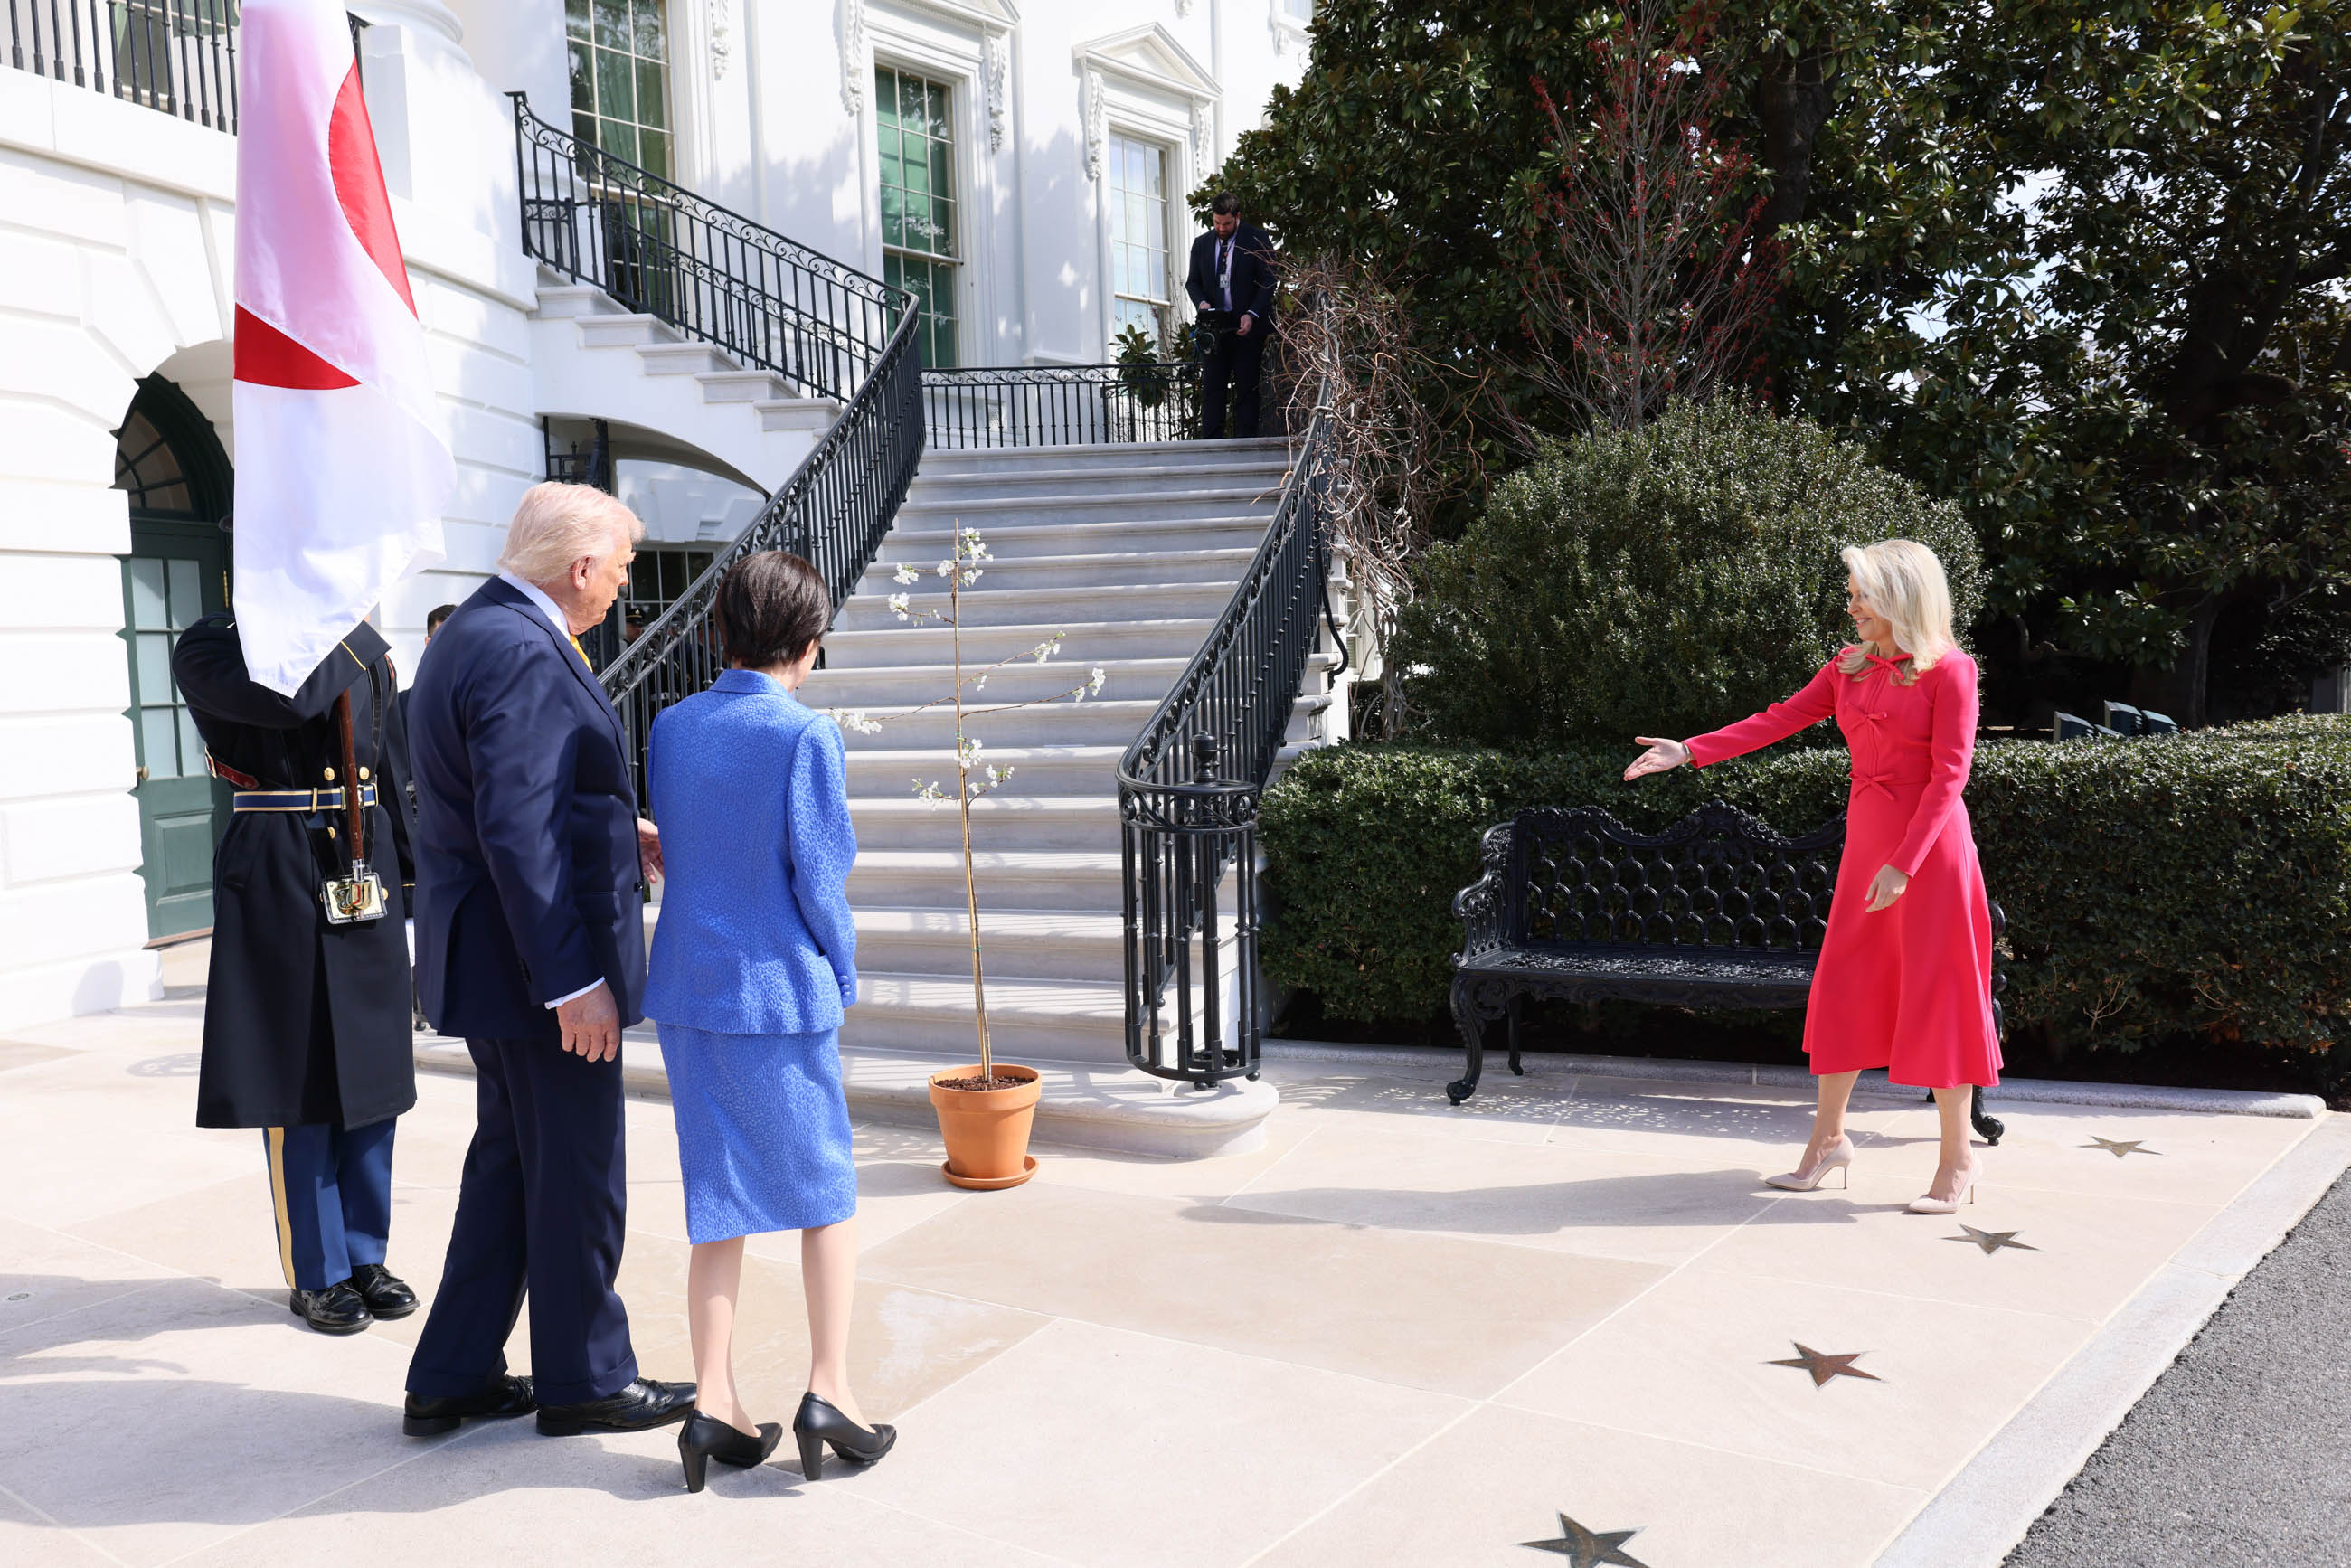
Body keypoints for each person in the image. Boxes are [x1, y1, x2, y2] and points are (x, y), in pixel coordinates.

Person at [400, 482, 695, 1439]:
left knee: (511, 1169)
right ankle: (584, 1380)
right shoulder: (524, 649)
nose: (618, 587)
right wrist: (573, 983)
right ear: (577, 569)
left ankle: (452, 1373)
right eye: (616, 569)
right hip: (535, 974)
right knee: (574, 1173)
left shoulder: (475, 631)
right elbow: (516, 830)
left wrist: (618, 828)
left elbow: (526, 798)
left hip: (492, 964)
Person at [1623, 539, 2000, 1214]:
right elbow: (1781, 719)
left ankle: (1957, 1159)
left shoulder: (1952, 672)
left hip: (1930, 857)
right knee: (1846, 984)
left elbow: (1951, 777)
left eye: (1861, 594)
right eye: (1852, 593)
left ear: (1899, 597)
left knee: (1938, 992)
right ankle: (1828, 1140)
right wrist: (1689, 751)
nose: (1850, 605)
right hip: (1867, 848)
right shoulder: (1848, 668)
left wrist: (1904, 865)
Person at [641, 551, 895, 1492]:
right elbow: (818, 880)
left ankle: (715, 1401)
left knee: (718, 1198)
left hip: (688, 988)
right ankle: (830, 1391)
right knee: (823, 1194)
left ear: (719, 633)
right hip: (774, 991)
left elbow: (686, 841)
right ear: (809, 641)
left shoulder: (671, 726)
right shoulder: (804, 735)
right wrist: (843, 969)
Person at [173, 613, 420, 1335]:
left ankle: (364, 1254)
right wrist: (355, 636)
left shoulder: (355, 642)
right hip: (278, 856)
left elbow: (392, 765)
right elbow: (291, 701)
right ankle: (317, 1269)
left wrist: (412, 889)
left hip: (361, 856)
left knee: (374, 1074)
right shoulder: (214, 642)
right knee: (299, 1074)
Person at [1183, 192, 1278, 439]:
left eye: (1226, 224)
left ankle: (1245, 445)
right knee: (1212, 388)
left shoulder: (1256, 238)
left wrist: (1252, 314)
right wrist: (1201, 302)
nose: (1221, 228)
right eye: (1216, 223)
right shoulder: (1201, 244)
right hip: (1214, 328)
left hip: (1246, 327)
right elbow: (1192, 283)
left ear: (1237, 217)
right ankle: (1210, 447)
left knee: (1247, 388)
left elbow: (1269, 280)